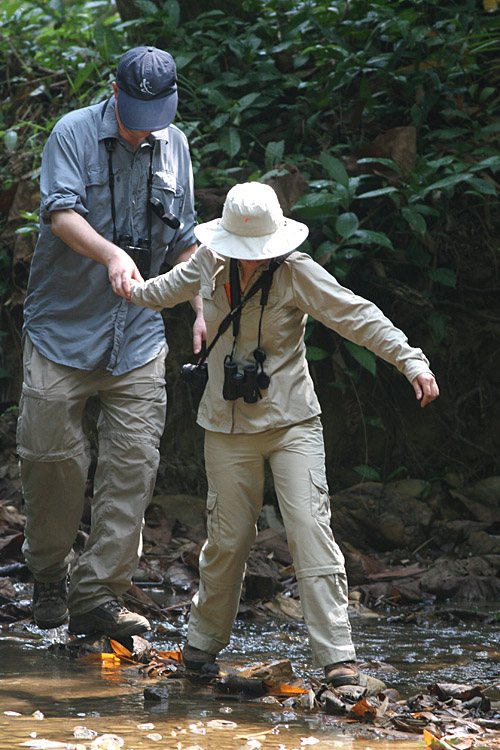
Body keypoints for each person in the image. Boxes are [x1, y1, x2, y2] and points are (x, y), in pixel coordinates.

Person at [128, 181, 439, 686]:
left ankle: (338, 657)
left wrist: (411, 361)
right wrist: (122, 279)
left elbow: (354, 314)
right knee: (228, 539)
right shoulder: (207, 263)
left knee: (310, 529)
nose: (251, 260)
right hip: (226, 426)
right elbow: (157, 292)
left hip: (291, 422)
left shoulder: (296, 273)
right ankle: (202, 646)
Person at [17, 46, 205, 638]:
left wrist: (203, 307)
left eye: (160, 110)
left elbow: (186, 241)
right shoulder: (73, 134)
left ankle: (96, 597)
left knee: (131, 470)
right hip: (61, 328)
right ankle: (48, 573)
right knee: (52, 461)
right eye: (137, 109)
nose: (149, 123)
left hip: (139, 337)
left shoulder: (176, 144)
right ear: (115, 92)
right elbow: (60, 214)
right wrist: (112, 253)